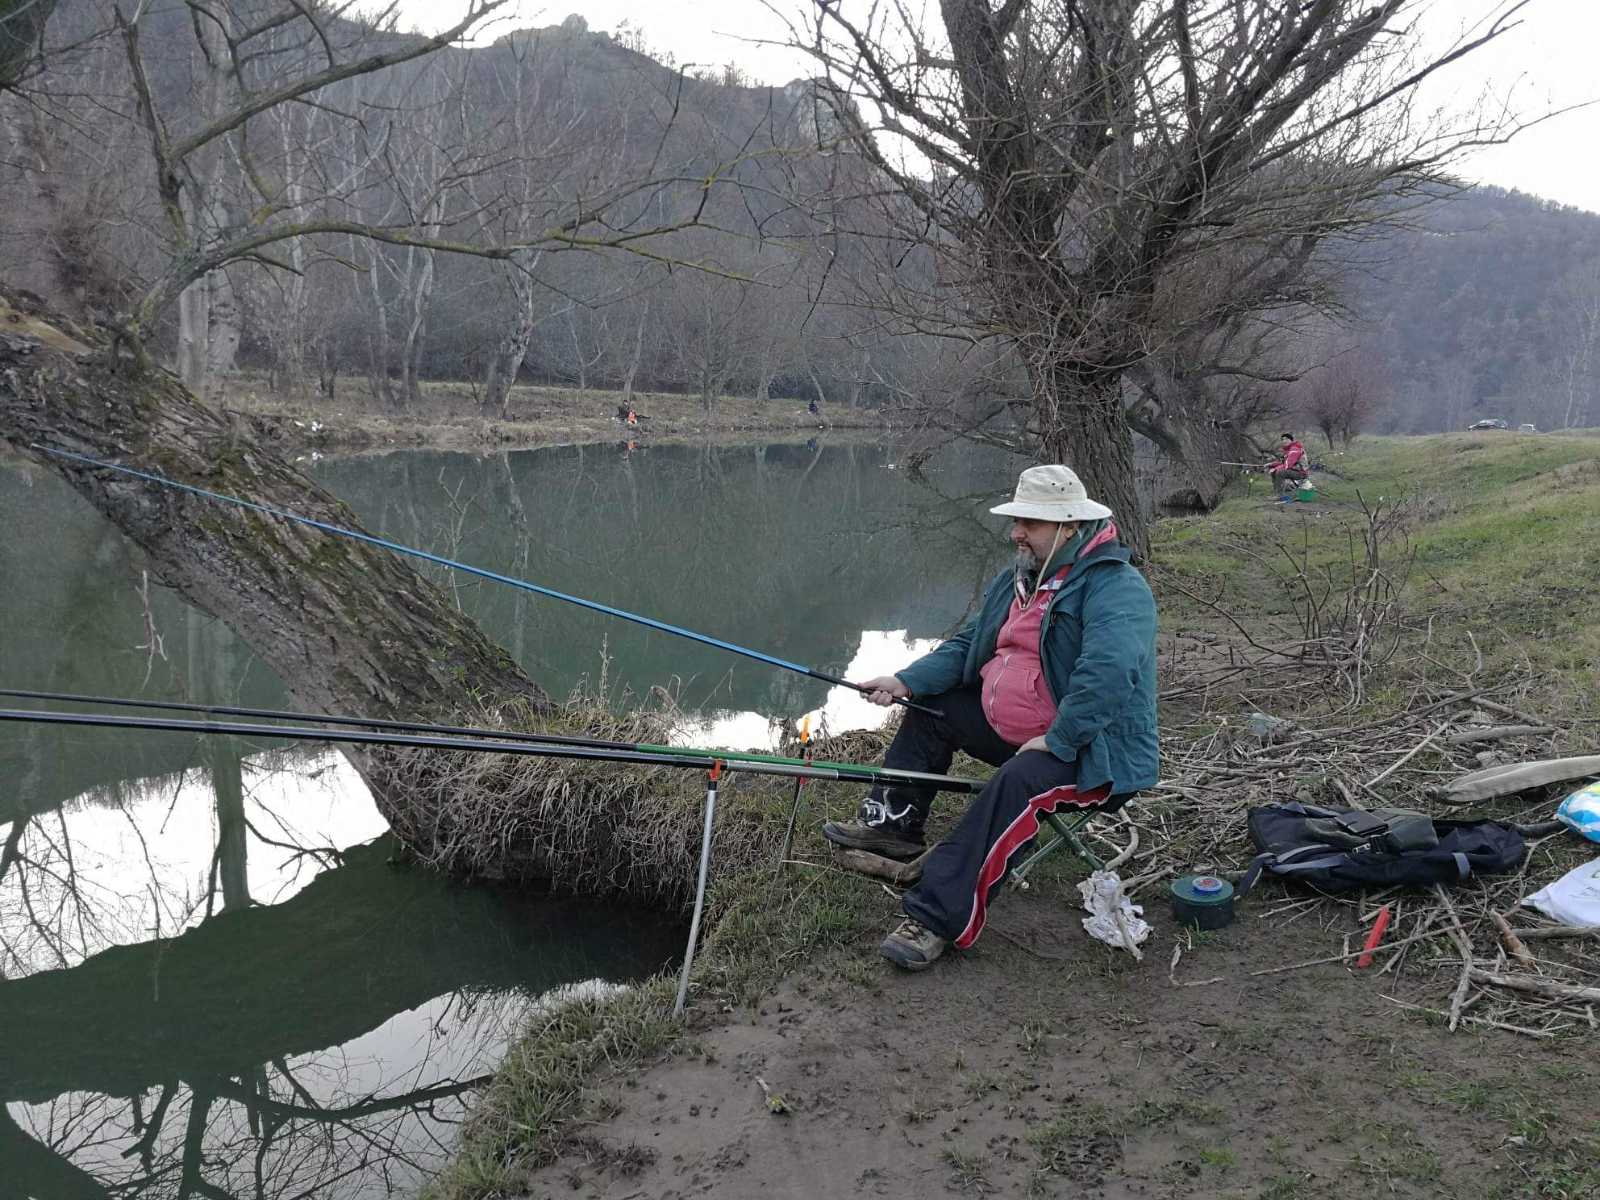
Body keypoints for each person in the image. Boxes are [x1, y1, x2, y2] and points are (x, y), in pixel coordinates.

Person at [822, 465, 1159, 970]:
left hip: (1092, 752)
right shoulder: (1018, 580)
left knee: (1018, 780)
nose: (1016, 532)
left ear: (1069, 526)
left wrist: (1060, 737)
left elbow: (1109, 675)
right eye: (1017, 519)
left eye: (1030, 522)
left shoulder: (1117, 587)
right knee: (934, 709)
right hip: (1022, 734)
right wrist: (905, 681)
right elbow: (967, 647)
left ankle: (936, 919)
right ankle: (893, 826)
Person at [1265, 433, 1308, 499]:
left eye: (1286, 439)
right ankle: (1280, 491)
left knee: (1280, 472)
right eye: (1283, 439)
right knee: (1275, 470)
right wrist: (1270, 464)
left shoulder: (1295, 449)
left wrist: (1275, 468)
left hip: (1301, 473)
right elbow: (1283, 462)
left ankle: (1279, 495)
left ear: (1291, 440)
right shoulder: (1288, 450)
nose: (1284, 441)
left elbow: (1288, 465)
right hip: (1294, 471)